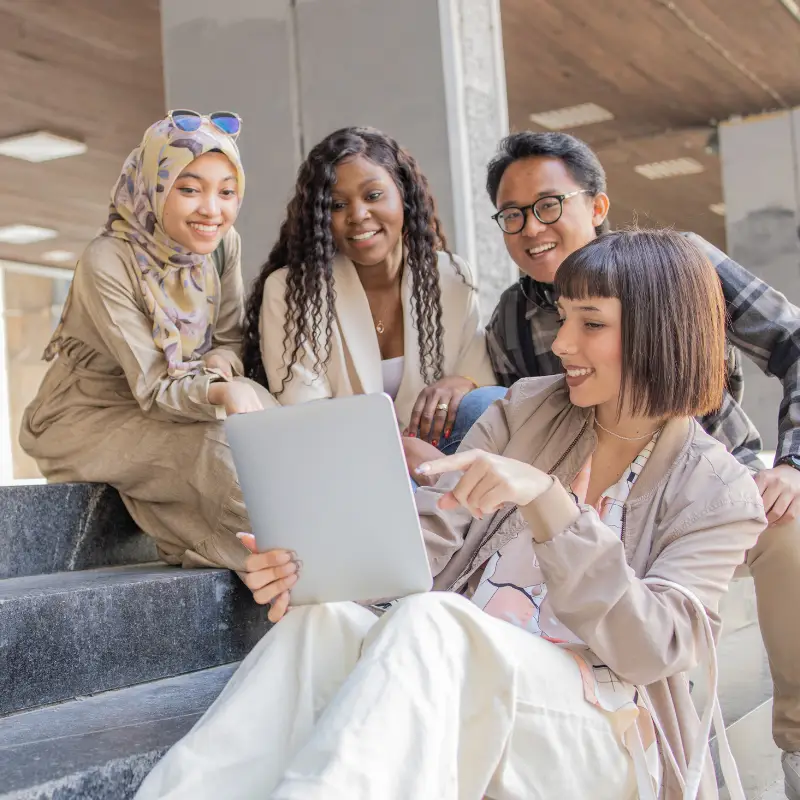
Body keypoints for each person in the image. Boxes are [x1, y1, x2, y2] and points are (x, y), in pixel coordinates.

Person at [134, 230, 766, 800]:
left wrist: (548, 503)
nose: (563, 343)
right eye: (564, 317)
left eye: (592, 324)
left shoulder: (717, 490)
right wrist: (312, 566)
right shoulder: (525, 410)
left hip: (607, 732)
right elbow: (427, 539)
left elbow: (653, 649)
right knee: (320, 626)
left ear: (662, 331)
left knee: (436, 621)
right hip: (468, 684)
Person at [484, 131, 800, 793]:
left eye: (547, 206)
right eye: (511, 215)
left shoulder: (681, 268)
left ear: (597, 205)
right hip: (589, 517)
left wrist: (792, 463)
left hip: (711, 495)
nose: (530, 228)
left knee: (791, 533)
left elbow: (793, 339)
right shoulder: (513, 318)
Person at [19, 113, 276, 581]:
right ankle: (281, 567)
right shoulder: (108, 260)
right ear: (156, 186)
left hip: (179, 396)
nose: (212, 210)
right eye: (190, 188)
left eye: (226, 191)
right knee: (218, 451)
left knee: (278, 428)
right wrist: (220, 391)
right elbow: (155, 387)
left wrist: (221, 365)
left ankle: (309, 557)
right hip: (85, 414)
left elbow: (229, 338)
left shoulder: (221, 246)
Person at [241, 127, 502, 479]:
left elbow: (481, 380)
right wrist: (395, 450)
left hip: (439, 457)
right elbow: (304, 411)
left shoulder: (450, 276)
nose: (358, 214)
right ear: (321, 217)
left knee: (485, 404)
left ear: (404, 196)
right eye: (337, 204)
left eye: (373, 195)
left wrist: (466, 382)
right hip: (345, 464)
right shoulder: (292, 291)